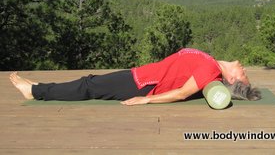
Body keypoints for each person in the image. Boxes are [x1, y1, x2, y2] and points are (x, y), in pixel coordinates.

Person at [9, 48, 261, 105]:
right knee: (91, 81)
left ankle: (34, 92)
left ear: (231, 79)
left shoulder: (211, 71)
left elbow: (184, 92)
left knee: (88, 86)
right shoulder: (210, 61)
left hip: (141, 84)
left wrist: (147, 100)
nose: (244, 69)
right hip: (139, 75)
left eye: (243, 75)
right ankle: (41, 87)